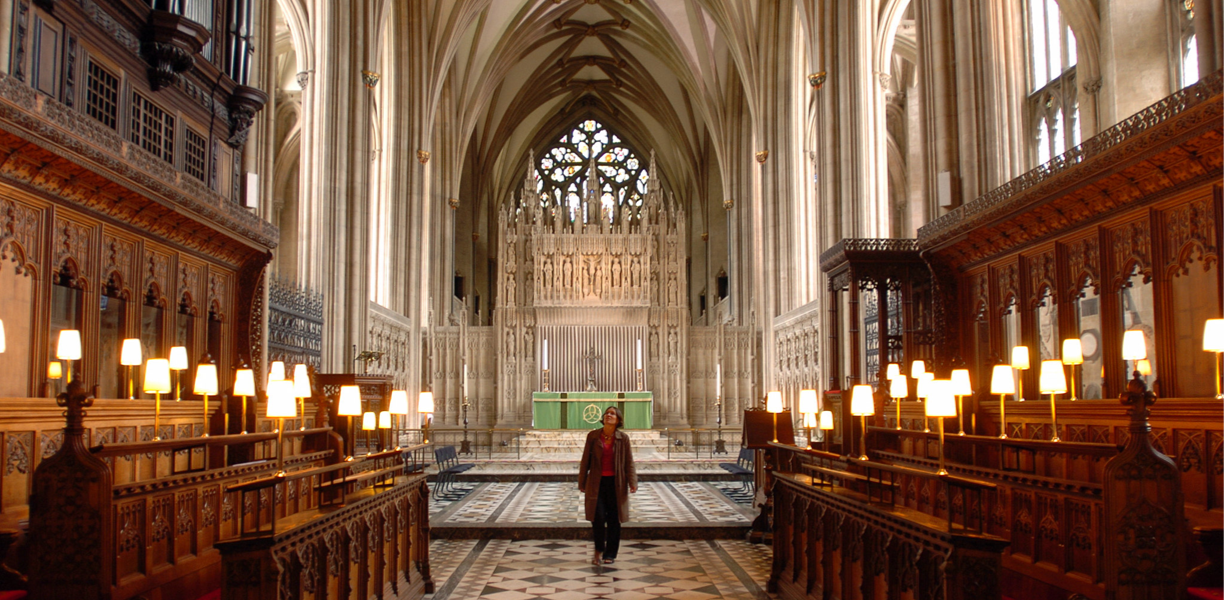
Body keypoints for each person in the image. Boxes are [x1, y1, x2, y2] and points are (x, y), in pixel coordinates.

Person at [578, 405, 637, 565]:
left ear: (618, 419)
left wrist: (632, 481)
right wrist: (581, 481)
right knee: (597, 517)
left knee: (614, 518)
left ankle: (610, 553)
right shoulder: (593, 436)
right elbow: (585, 461)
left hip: (616, 482)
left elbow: (629, 462)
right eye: (606, 413)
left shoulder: (622, 438)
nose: (608, 416)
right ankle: (598, 549)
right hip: (596, 481)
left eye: (612, 414)